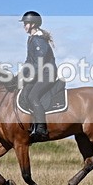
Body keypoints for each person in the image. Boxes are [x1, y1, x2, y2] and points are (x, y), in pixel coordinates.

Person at [19, 11, 57, 141]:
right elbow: (29, 61)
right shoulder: (32, 38)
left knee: (33, 95)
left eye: (26, 23)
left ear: (33, 24)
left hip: (47, 74)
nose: (24, 26)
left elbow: (39, 63)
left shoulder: (38, 40)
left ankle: (41, 128)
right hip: (39, 74)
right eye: (24, 23)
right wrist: (20, 75)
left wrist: (28, 76)